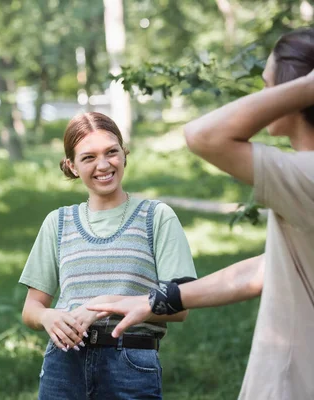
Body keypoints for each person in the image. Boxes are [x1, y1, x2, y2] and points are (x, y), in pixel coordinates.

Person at [87, 28, 314, 400]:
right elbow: (264, 269)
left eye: (269, 87)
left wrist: (305, 88)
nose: (264, 96)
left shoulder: (307, 177)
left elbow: (203, 136)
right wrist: (155, 300)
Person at [19, 112, 197, 400]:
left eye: (111, 152)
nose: (103, 165)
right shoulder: (58, 222)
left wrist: (104, 306)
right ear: (72, 166)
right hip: (63, 364)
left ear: (124, 154)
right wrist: (48, 317)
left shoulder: (156, 217)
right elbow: (31, 309)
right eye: (88, 157)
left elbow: (182, 304)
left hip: (130, 361)